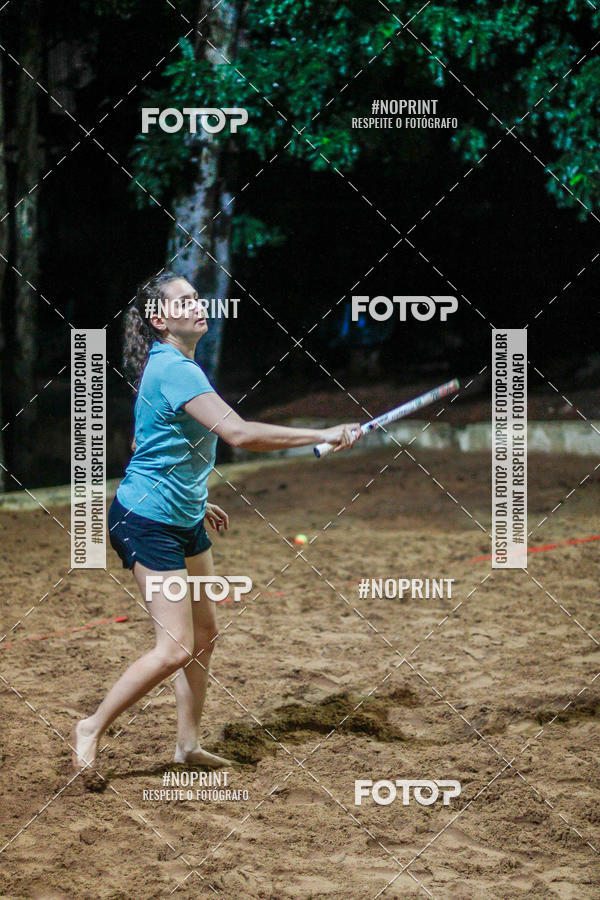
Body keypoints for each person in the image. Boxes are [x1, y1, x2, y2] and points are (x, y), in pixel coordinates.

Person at [72, 271, 361, 771]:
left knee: (204, 635)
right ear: (160, 320)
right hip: (147, 520)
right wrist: (324, 431)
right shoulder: (175, 368)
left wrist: (195, 498)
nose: (197, 305)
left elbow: (148, 444)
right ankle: (91, 726)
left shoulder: (177, 365)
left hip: (183, 515)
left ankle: (187, 747)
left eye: (197, 298)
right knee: (176, 646)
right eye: (184, 301)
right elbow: (239, 434)